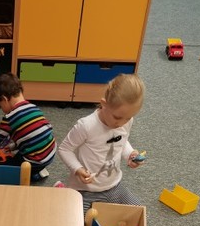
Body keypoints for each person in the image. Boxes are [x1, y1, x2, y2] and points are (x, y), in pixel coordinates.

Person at [58, 73, 145, 213]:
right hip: (85, 190)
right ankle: (62, 190)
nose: (121, 123)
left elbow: (122, 141)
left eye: (128, 118)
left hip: (114, 186)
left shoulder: (125, 121)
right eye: (117, 117)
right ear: (104, 104)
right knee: (79, 222)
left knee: (137, 211)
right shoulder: (86, 126)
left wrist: (130, 154)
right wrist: (78, 169)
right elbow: (64, 149)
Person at [0, 73, 56, 181]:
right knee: (19, 155)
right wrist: (13, 147)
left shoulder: (9, 118)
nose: (2, 110)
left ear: (4, 99)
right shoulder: (33, 107)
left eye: (0, 106)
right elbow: (29, 135)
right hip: (50, 153)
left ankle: (32, 175)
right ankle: (38, 169)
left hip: (34, 161)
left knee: (4, 170)